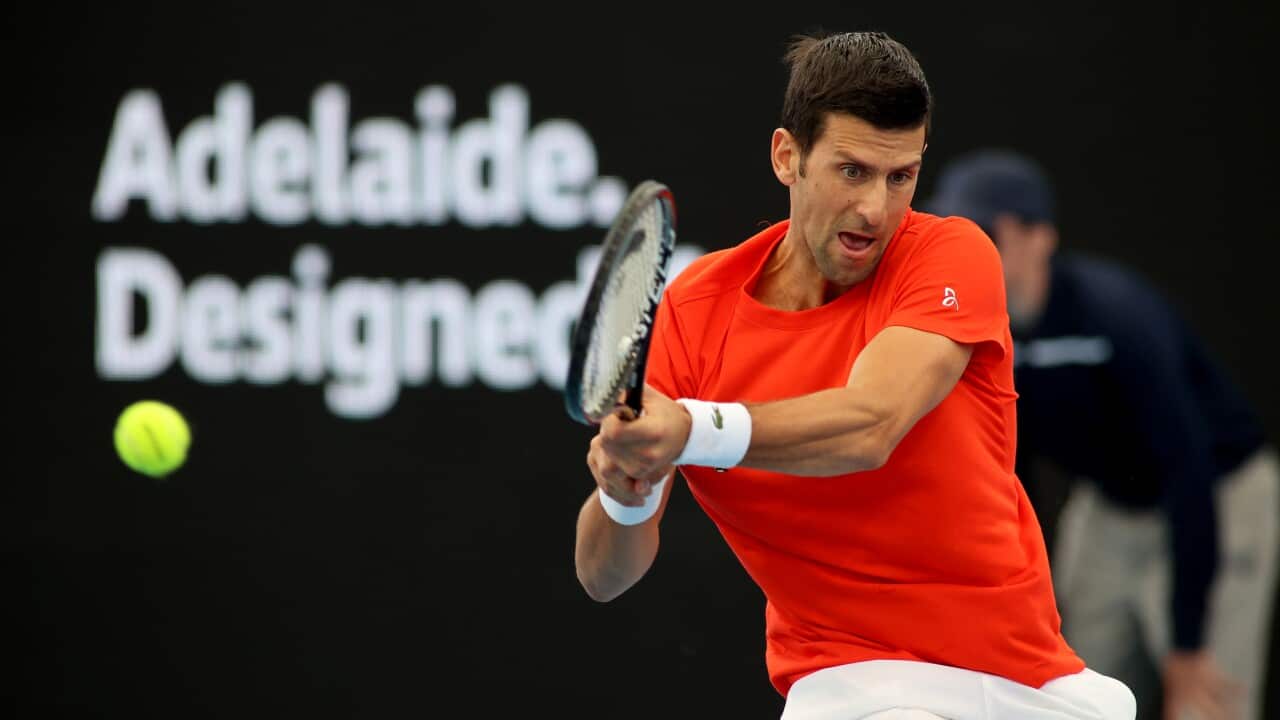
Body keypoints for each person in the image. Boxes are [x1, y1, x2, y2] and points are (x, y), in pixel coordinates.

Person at [572, 31, 1136, 720]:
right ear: (788, 157)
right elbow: (605, 577)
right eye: (852, 171)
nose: (876, 209)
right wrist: (624, 488)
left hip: (1029, 685)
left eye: (901, 177)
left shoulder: (950, 254)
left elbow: (872, 425)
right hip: (855, 685)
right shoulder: (693, 316)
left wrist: (690, 429)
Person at [923, 148, 1279, 720]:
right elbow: (1011, 471)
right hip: (1112, 507)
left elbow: (1189, 468)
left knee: (1208, 702)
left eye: (988, 230)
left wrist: (1188, 646)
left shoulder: (1117, 314)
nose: (972, 249)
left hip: (1218, 498)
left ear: (1040, 239)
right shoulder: (980, 329)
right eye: (958, 231)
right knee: (1068, 691)